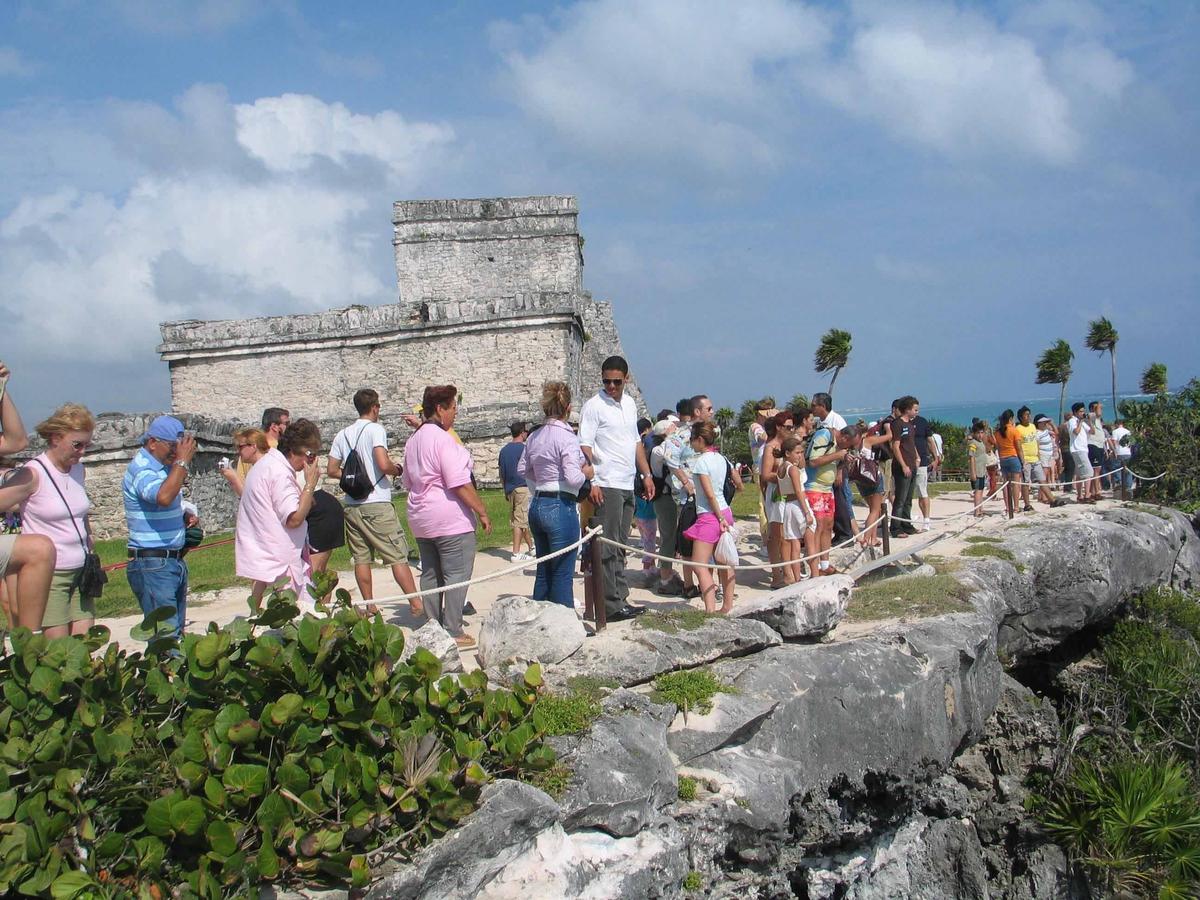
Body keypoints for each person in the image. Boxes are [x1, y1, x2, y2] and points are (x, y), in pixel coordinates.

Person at [404, 385, 492, 649]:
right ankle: (453, 628)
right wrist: (482, 510)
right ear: (440, 409)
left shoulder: (413, 440)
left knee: (430, 573)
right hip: (448, 517)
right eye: (453, 408)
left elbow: (407, 480)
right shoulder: (443, 440)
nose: (455, 414)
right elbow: (459, 482)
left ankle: (432, 626)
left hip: (421, 516)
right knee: (457, 573)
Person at [8, 403, 97, 638]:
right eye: (77, 445)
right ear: (56, 438)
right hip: (51, 575)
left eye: (87, 445)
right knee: (57, 654)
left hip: (82, 571)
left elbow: (80, 513)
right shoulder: (33, 473)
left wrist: (89, 539)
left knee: (84, 648)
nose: (82, 452)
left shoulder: (79, 470)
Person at [327, 389, 419, 615]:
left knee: (361, 558)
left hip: (352, 504)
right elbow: (382, 462)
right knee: (396, 555)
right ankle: (416, 603)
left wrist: (354, 478)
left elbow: (331, 470)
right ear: (375, 407)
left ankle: (370, 604)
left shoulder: (343, 434)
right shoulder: (375, 429)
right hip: (376, 502)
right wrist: (396, 469)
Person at [578, 356, 655, 622]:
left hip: (626, 482)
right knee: (607, 546)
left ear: (626, 379)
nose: (611, 386)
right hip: (606, 483)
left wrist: (646, 474)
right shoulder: (594, 406)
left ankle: (620, 596)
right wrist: (593, 481)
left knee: (621, 544)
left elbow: (636, 443)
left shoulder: (630, 404)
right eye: (606, 381)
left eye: (616, 382)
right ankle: (610, 605)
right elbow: (584, 446)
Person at [122, 415, 198, 640]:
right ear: (153, 442)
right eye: (173, 447)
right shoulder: (142, 468)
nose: (176, 452)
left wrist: (182, 517)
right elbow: (163, 496)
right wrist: (182, 463)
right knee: (165, 637)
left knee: (175, 633)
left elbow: (164, 502)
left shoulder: (164, 468)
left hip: (171, 560)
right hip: (152, 562)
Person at [519, 381, 593, 607]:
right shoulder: (568, 437)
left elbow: (523, 469)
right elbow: (572, 477)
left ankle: (540, 621)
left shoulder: (534, 436)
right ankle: (565, 625)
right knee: (562, 571)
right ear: (568, 408)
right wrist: (587, 474)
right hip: (561, 505)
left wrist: (539, 482)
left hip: (538, 503)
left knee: (544, 569)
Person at [235, 418, 321, 606]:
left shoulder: (266, 465)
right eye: (309, 454)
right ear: (294, 451)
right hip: (283, 564)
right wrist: (310, 485)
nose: (311, 460)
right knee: (302, 616)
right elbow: (294, 519)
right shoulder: (279, 473)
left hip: (269, 557)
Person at [663, 395, 716, 598]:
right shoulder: (682, 435)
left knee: (709, 540)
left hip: (709, 495)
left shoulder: (712, 432)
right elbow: (669, 456)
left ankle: (707, 584)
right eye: (708, 409)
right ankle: (689, 584)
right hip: (691, 498)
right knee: (688, 540)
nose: (712, 412)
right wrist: (685, 482)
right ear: (697, 412)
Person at [680, 422, 736, 613]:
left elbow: (708, 493)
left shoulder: (702, 461)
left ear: (700, 440)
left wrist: (718, 517)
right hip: (725, 510)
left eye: (692, 440)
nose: (691, 444)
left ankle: (710, 609)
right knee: (724, 562)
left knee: (699, 564)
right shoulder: (721, 458)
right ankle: (727, 605)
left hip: (710, 514)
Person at [805, 408, 848, 574]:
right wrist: (838, 456)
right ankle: (814, 567)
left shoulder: (839, 445)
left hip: (827, 489)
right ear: (844, 437)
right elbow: (814, 461)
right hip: (814, 487)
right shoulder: (824, 436)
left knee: (828, 525)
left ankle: (824, 564)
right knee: (818, 526)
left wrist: (842, 463)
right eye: (848, 445)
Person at [759, 411, 794, 588]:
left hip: (790, 493)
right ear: (779, 427)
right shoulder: (770, 447)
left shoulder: (788, 445)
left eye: (792, 427)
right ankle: (777, 575)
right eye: (787, 427)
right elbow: (765, 474)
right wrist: (783, 475)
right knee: (776, 535)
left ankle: (788, 571)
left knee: (788, 534)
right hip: (776, 493)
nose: (791, 430)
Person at [775, 434, 815, 583]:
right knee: (810, 540)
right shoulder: (793, 469)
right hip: (799, 505)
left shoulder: (781, 469)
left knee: (794, 543)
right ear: (787, 453)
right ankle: (815, 574)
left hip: (788, 506)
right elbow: (799, 491)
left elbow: (780, 491)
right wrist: (806, 512)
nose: (800, 456)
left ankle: (797, 578)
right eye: (797, 453)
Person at [649, 418, 682, 596]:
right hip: (665, 497)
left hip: (670, 496)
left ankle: (667, 573)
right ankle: (665, 577)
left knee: (672, 535)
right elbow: (670, 460)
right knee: (668, 536)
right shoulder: (659, 450)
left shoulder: (664, 448)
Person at [499, 421, 534, 563]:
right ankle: (516, 553)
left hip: (510, 488)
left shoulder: (504, 450)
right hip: (522, 487)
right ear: (522, 433)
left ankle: (531, 547)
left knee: (518, 519)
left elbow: (501, 473)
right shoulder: (524, 449)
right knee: (521, 520)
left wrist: (505, 489)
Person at [888, 398, 920, 539]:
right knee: (900, 499)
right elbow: (896, 446)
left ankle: (907, 524)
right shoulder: (898, 424)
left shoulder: (911, 425)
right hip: (903, 466)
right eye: (915, 409)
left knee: (908, 498)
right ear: (907, 409)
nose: (916, 412)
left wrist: (917, 457)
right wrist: (903, 465)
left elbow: (911, 444)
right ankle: (895, 528)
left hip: (913, 464)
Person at [633, 417, 658, 580]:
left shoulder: (635, 448)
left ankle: (651, 565)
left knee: (645, 535)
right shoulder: (648, 448)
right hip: (646, 499)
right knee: (650, 538)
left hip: (637, 499)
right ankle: (647, 567)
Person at [748, 399, 774, 539]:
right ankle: (765, 538)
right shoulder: (755, 426)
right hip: (760, 468)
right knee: (763, 503)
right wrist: (773, 421)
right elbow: (764, 437)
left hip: (770, 466)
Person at [218, 426, 268, 497]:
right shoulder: (260, 466)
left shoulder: (265, 469)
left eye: (240, 447)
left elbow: (251, 500)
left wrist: (233, 478)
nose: (238, 451)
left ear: (253, 446)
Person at [993, 409, 1024, 519]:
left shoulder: (997, 432)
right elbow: (1018, 448)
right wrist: (1023, 460)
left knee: (1005, 484)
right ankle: (1015, 506)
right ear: (1011, 418)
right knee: (1015, 483)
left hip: (1003, 458)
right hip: (1013, 457)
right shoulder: (1014, 431)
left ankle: (1007, 506)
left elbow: (997, 446)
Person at [910, 400, 935, 531]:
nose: (916, 412)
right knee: (905, 494)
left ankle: (926, 520)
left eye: (918, 409)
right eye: (915, 409)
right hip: (907, 462)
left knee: (922, 491)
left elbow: (930, 440)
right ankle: (907, 519)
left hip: (922, 463)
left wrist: (936, 456)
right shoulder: (902, 423)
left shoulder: (922, 422)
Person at [1069, 402, 1097, 503]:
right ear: (1075, 412)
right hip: (1077, 449)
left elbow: (1092, 432)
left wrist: (1090, 421)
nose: (1082, 413)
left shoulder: (1083, 422)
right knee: (1089, 472)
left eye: (1083, 411)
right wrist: (1080, 421)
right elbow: (1076, 431)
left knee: (1080, 474)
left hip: (1083, 449)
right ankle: (1087, 495)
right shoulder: (1072, 421)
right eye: (1080, 411)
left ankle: (1080, 495)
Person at [1015, 406, 1041, 512]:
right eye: (1026, 415)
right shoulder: (1018, 429)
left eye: (1029, 414)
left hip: (1035, 457)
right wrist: (1022, 460)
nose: (1028, 416)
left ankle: (1051, 499)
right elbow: (1019, 445)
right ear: (1021, 417)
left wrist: (1038, 452)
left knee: (1042, 479)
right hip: (1026, 458)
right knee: (1026, 482)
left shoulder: (1033, 426)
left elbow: (1036, 440)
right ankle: (1027, 504)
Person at [1034, 415, 1058, 505]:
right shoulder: (1037, 432)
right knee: (1043, 476)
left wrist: (1052, 423)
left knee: (1045, 476)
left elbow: (1056, 432)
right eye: (1043, 422)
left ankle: (1042, 496)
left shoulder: (1046, 431)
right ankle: (1043, 497)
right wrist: (1039, 456)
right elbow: (1037, 444)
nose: (1045, 424)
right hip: (1043, 455)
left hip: (1049, 455)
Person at [967, 420, 989, 517]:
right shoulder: (973, 443)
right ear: (974, 433)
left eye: (981, 433)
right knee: (977, 491)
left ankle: (980, 509)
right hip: (976, 471)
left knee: (981, 490)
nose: (980, 435)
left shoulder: (981, 442)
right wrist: (973, 472)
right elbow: (971, 458)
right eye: (978, 433)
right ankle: (977, 511)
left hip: (982, 470)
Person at [1087, 402, 1108, 491]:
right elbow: (1098, 413)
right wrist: (1098, 404)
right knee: (1096, 470)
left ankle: (1093, 491)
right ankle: (1096, 491)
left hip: (1099, 445)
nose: (1100, 409)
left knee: (1096, 470)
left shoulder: (1096, 418)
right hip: (1093, 444)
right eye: (1097, 407)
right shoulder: (1091, 415)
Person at [1110, 418, 1134, 497]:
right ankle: (1128, 487)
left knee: (1117, 469)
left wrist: (1113, 451)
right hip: (1127, 453)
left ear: (1116, 424)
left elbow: (1114, 442)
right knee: (1128, 471)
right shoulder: (1128, 431)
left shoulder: (1115, 432)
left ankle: (1119, 485)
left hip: (1119, 453)